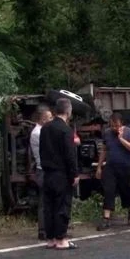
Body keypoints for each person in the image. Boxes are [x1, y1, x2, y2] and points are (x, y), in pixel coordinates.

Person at [40, 98, 79, 250]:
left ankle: (50, 238)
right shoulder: (66, 130)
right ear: (68, 111)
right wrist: (74, 174)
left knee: (49, 207)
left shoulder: (45, 128)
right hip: (61, 174)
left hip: (47, 172)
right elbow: (70, 155)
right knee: (62, 206)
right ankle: (61, 239)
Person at [96, 113, 130, 230]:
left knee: (127, 191)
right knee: (108, 190)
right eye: (113, 126)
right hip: (111, 167)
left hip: (126, 166)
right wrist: (99, 167)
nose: (115, 128)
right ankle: (106, 218)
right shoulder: (107, 133)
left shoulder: (129, 132)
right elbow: (104, 150)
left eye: (117, 126)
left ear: (121, 124)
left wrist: (121, 139)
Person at [30, 105, 53, 240]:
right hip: (43, 170)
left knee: (46, 201)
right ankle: (43, 230)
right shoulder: (39, 133)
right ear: (43, 119)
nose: (51, 120)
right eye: (49, 118)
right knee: (44, 201)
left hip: (42, 169)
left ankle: (46, 228)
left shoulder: (39, 131)